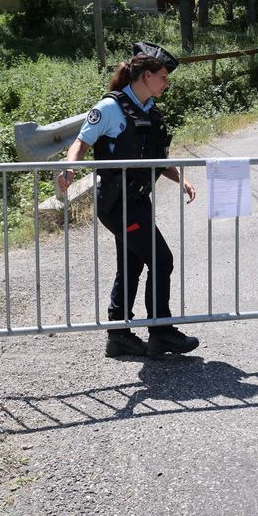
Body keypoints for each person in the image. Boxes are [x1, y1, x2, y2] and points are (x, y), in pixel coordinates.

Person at [58, 42, 200, 357]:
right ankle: (160, 332)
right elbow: (80, 144)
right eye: (163, 76)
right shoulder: (111, 108)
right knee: (161, 260)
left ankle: (119, 335)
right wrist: (70, 168)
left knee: (132, 263)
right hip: (118, 204)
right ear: (146, 75)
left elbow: (154, 159)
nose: (166, 83)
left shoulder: (149, 110)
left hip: (137, 201)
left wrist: (182, 179)